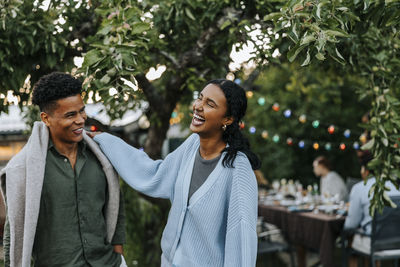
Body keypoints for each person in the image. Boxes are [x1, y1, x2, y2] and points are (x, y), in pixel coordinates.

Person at [89, 79, 261, 266]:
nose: (198, 107)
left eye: (210, 104)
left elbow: (242, 239)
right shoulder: (191, 145)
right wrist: (106, 141)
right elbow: (155, 174)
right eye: (200, 99)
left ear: (228, 119)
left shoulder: (238, 170)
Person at [0, 72, 126, 267]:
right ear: (46, 118)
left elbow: (117, 209)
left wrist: (119, 257)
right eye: (70, 115)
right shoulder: (23, 169)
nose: (81, 120)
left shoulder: (101, 157)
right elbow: (13, 231)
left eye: (81, 111)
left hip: (108, 263)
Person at [344, 150, 400, 267]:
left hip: (374, 242)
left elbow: (351, 224)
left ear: (366, 170)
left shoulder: (359, 188)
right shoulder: (395, 186)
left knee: (350, 239)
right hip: (396, 242)